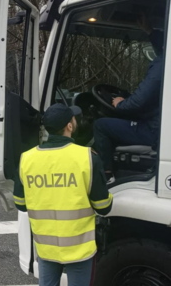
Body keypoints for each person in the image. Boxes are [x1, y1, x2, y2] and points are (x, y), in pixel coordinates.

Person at [13, 103, 113, 286]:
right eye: (73, 119)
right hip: (80, 251)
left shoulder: (26, 159)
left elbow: (21, 204)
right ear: (69, 125)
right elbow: (103, 207)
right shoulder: (88, 157)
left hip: (46, 248)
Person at [93, 15, 164, 183]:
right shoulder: (166, 60)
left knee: (100, 125)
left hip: (153, 130)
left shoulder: (162, 65)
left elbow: (139, 101)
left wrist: (121, 104)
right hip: (158, 125)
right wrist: (150, 31)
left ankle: (107, 174)